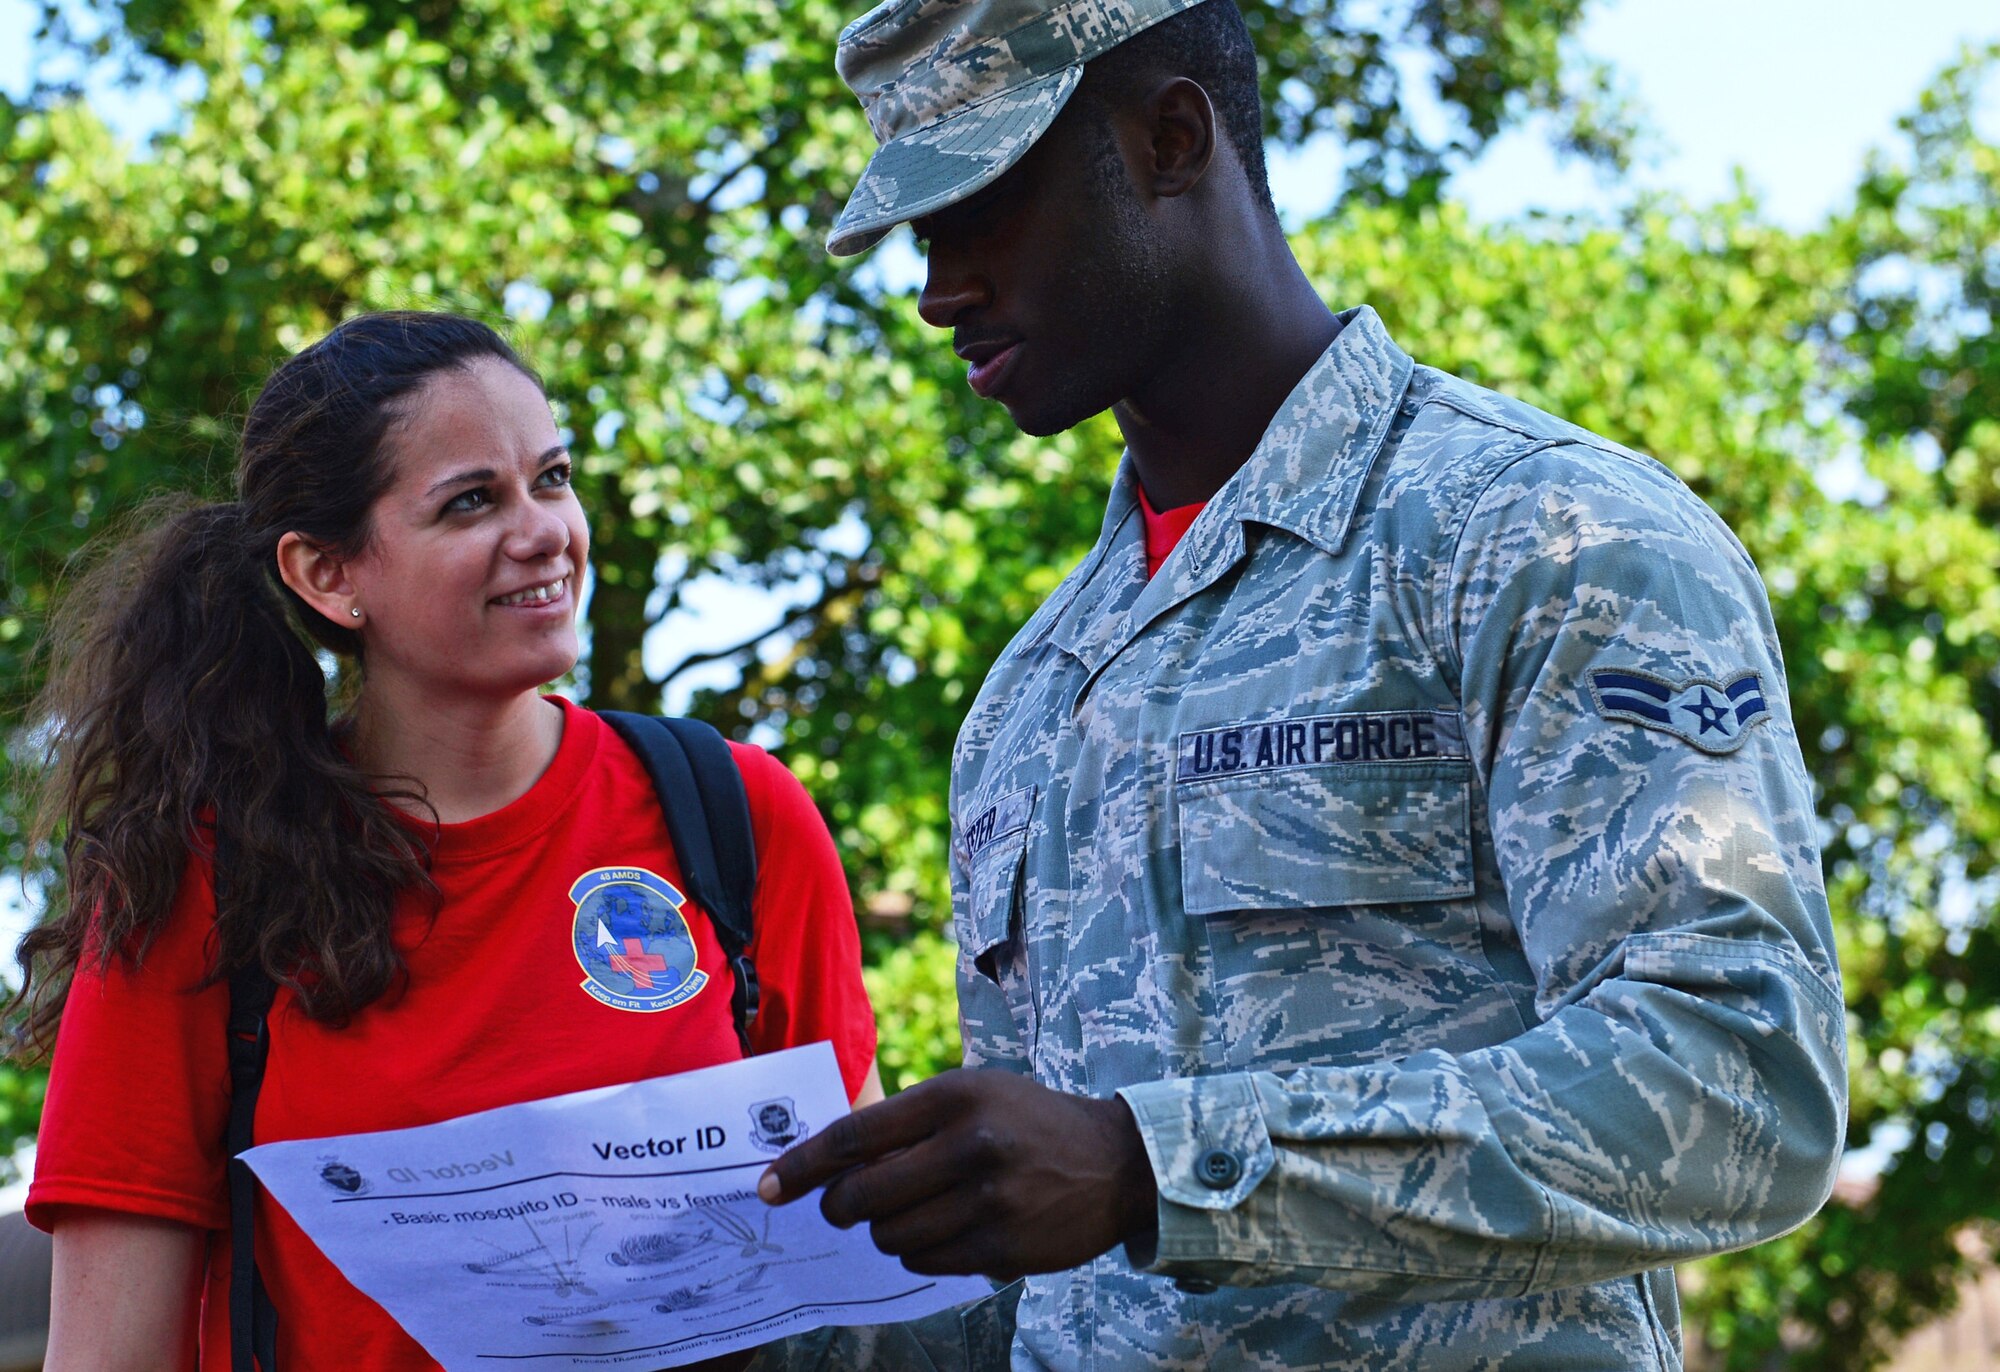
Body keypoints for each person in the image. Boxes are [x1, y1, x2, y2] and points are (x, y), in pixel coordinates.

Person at [758, 2, 1848, 1368]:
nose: (938, 289)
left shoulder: (1543, 537)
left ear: (1170, 137)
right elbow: (1059, 1297)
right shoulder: (1031, 697)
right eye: (923, 235)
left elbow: (1744, 1089)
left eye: (982, 207)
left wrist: (1152, 1166)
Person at [10, 311, 882, 1369]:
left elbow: (861, 1266)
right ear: (329, 574)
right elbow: (109, 1354)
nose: (543, 531)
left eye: (551, 477)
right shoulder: (202, 878)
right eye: (472, 500)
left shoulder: (736, 813)